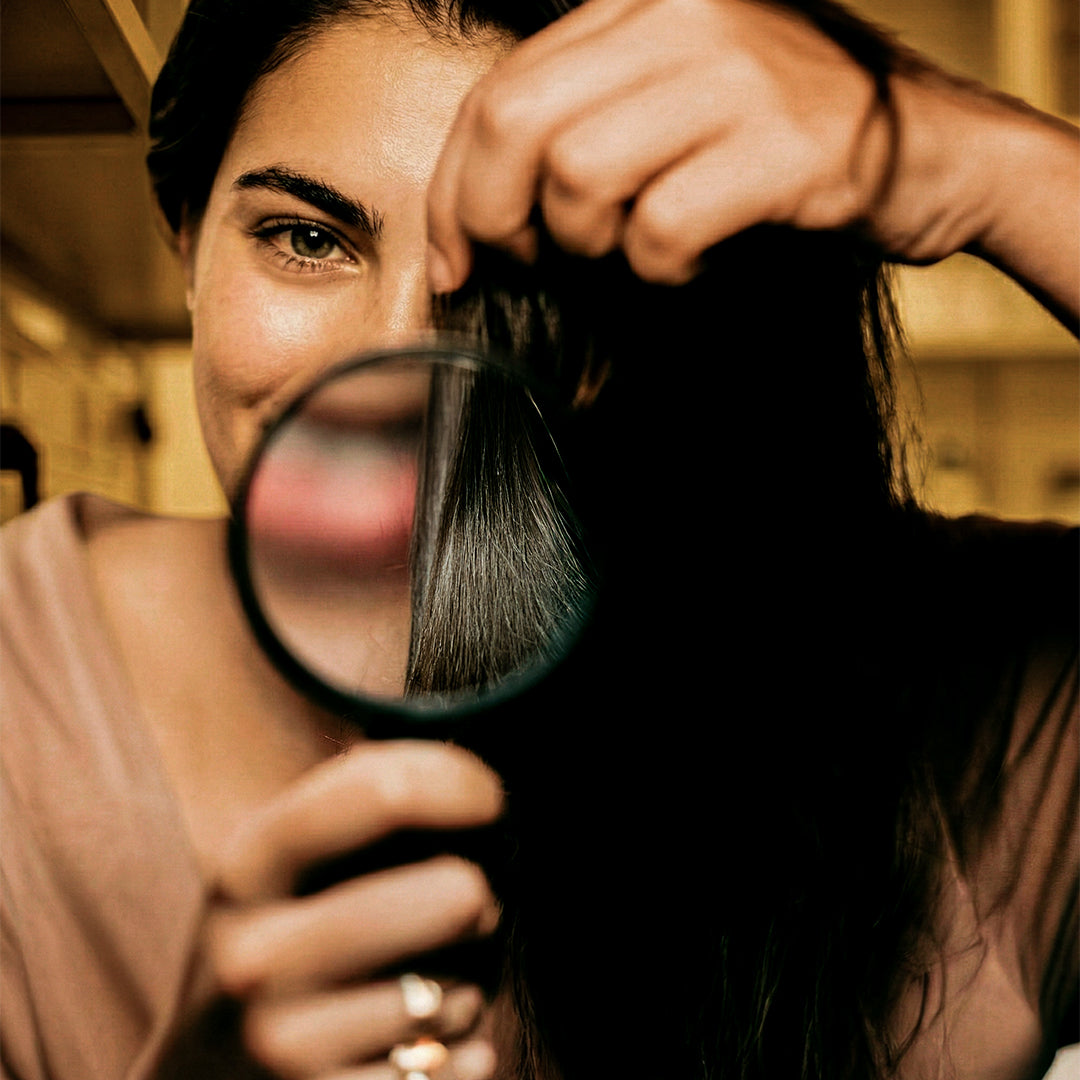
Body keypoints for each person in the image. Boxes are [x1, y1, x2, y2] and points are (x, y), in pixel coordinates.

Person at [0, 0, 1075, 1077]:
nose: (396, 379)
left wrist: (983, 161)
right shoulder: (20, 684)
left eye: (526, 283)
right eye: (306, 238)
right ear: (188, 242)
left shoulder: (968, 690)